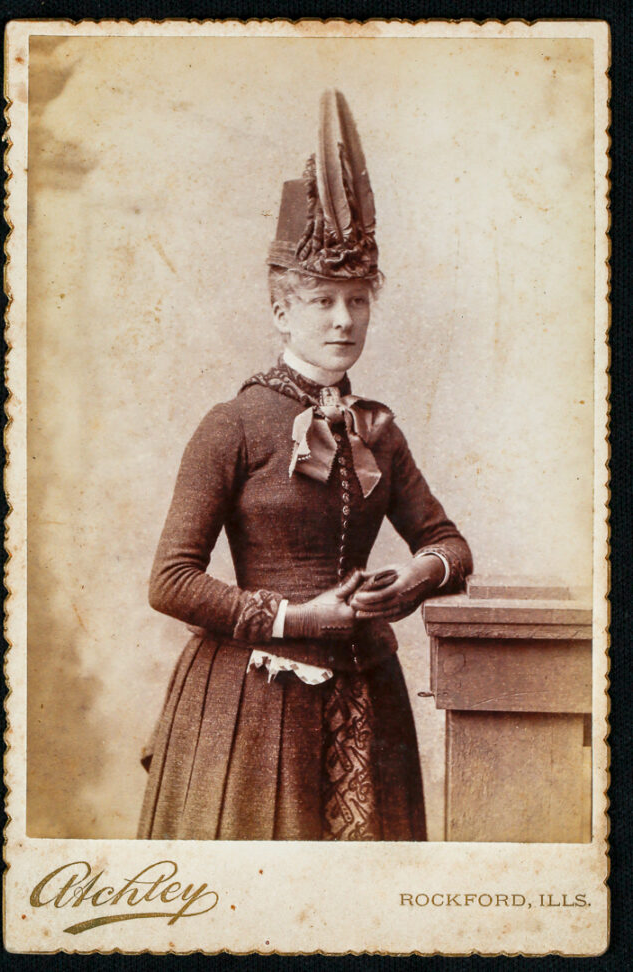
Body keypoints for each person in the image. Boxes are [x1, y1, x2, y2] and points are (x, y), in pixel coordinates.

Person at [137, 90, 472, 842]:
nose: (343, 320)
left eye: (357, 300)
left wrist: (419, 577)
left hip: (369, 701)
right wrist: (293, 617)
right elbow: (170, 579)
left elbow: (449, 543)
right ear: (282, 308)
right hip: (254, 706)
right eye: (322, 299)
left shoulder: (377, 429)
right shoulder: (232, 425)